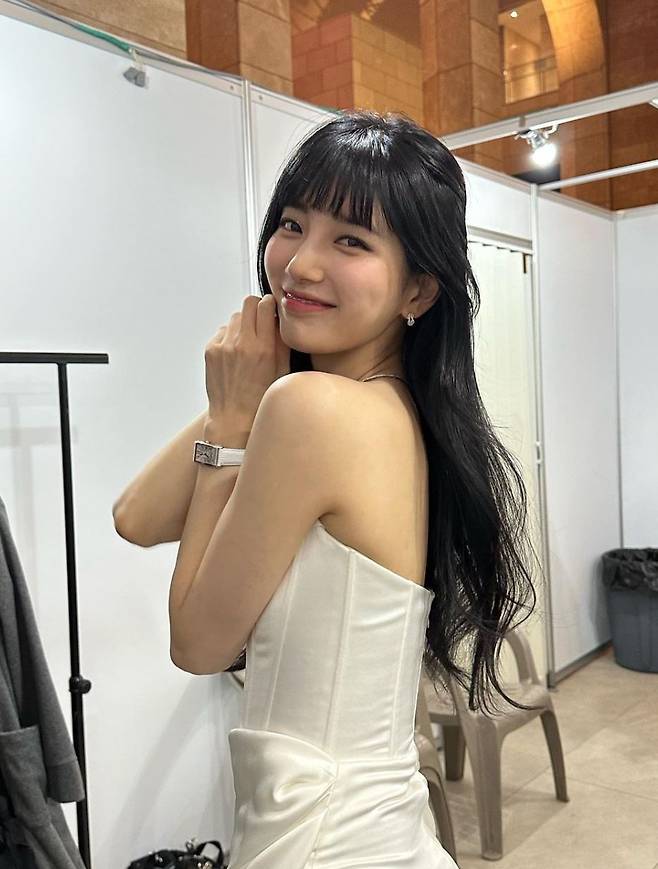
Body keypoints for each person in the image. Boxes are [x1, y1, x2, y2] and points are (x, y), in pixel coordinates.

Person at [114, 109, 541, 868]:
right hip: (372, 818)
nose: (301, 265)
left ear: (418, 288)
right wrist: (245, 395)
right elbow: (136, 517)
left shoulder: (313, 411)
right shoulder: (388, 405)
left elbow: (199, 646)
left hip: (317, 836)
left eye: (351, 240)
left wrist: (233, 418)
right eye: (292, 224)